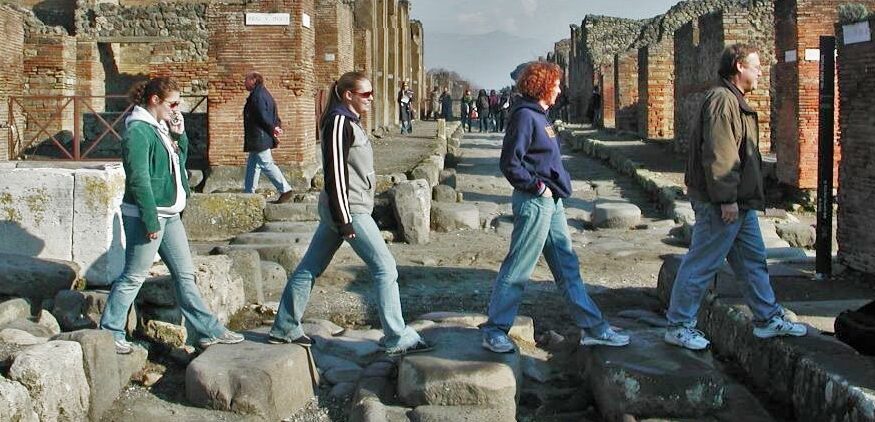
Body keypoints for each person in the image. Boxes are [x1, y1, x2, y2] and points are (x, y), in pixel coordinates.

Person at [269, 71, 432, 356]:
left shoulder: (351, 122)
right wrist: (344, 219)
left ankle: (284, 327)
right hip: (348, 210)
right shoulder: (338, 123)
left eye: (371, 94)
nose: (370, 99)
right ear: (348, 95)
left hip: (351, 207)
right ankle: (396, 336)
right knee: (385, 269)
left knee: (310, 267)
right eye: (365, 94)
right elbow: (334, 175)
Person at [663, 44, 807, 351]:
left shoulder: (733, 100)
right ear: (739, 66)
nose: (759, 72)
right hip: (724, 203)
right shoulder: (722, 101)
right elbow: (720, 153)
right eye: (755, 66)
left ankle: (767, 319)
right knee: (702, 263)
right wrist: (726, 199)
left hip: (740, 203)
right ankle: (678, 325)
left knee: (752, 261)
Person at [480, 62, 630, 353]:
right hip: (536, 202)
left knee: (567, 267)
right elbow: (510, 162)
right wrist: (537, 187)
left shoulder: (540, 116)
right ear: (542, 85)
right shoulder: (524, 116)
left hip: (552, 203)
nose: (560, 89)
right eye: (556, 84)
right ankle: (495, 330)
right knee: (519, 267)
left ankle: (593, 327)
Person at [100, 77, 244, 354]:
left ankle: (208, 329)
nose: (177, 109)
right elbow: (139, 179)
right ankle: (111, 330)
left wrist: (179, 136)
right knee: (133, 276)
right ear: (154, 100)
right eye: (174, 103)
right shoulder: (138, 132)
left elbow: (179, 162)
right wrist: (150, 219)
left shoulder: (160, 128)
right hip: (147, 215)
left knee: (184, 275)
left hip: (171, 214)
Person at [243, 71, 294, 203]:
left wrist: (273, 127)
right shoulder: (265, 94)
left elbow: (262, 115)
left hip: (259, 136)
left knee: (266, 164)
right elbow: (273, 112)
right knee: (253, 164)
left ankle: (285, 189)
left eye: (246, 80)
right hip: (260, 136)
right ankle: (248, 193)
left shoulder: (257, 96)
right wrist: (276, 125)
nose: (244, 82)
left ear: (254, 81)